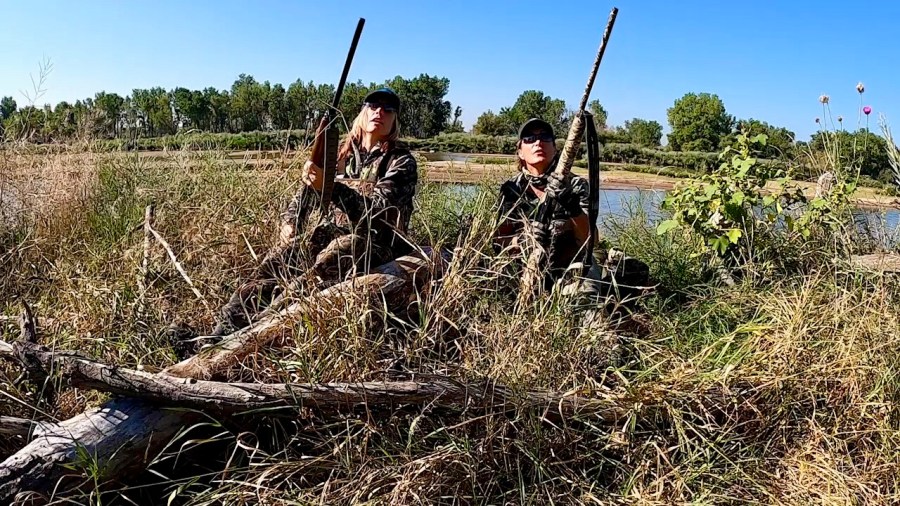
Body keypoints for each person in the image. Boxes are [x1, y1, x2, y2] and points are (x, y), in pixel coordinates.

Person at [208, 87, 418, 339]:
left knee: (322, 265)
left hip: (380, 243)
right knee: (278, 259)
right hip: (333, 233)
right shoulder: (340, 155)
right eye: (373, 106)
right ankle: (223, 329)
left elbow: (376, 212)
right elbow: (304, 194)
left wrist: (329, 186)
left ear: (395, 120)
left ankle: (252, 334)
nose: (379, 112)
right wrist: (290, 221)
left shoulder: (400, 161)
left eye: (388, 109)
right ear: (362, 113)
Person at [494, 117, 600, 295]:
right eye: (529, 139)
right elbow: (497, 242)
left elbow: (592, 241)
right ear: (520, 152)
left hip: (569, 265)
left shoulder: (575, 185)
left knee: (584, 291)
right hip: (524, 267)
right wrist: (523, 241)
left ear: (555, 148)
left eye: (545, 137)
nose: (538, 142)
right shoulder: (511, 189)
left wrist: (572, 206)